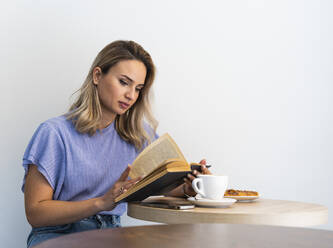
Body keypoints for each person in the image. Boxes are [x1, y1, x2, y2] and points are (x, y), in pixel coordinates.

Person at [21, 40, 210, 248]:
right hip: (59, 236)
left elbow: (156, 184)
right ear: (97, 76)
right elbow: (35, 213)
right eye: (123, 82)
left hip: (112, 235)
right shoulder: (54, 133)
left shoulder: (139, 136)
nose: (131, 95)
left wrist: (187, 187)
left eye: (138, 88)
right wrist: (101, 202)